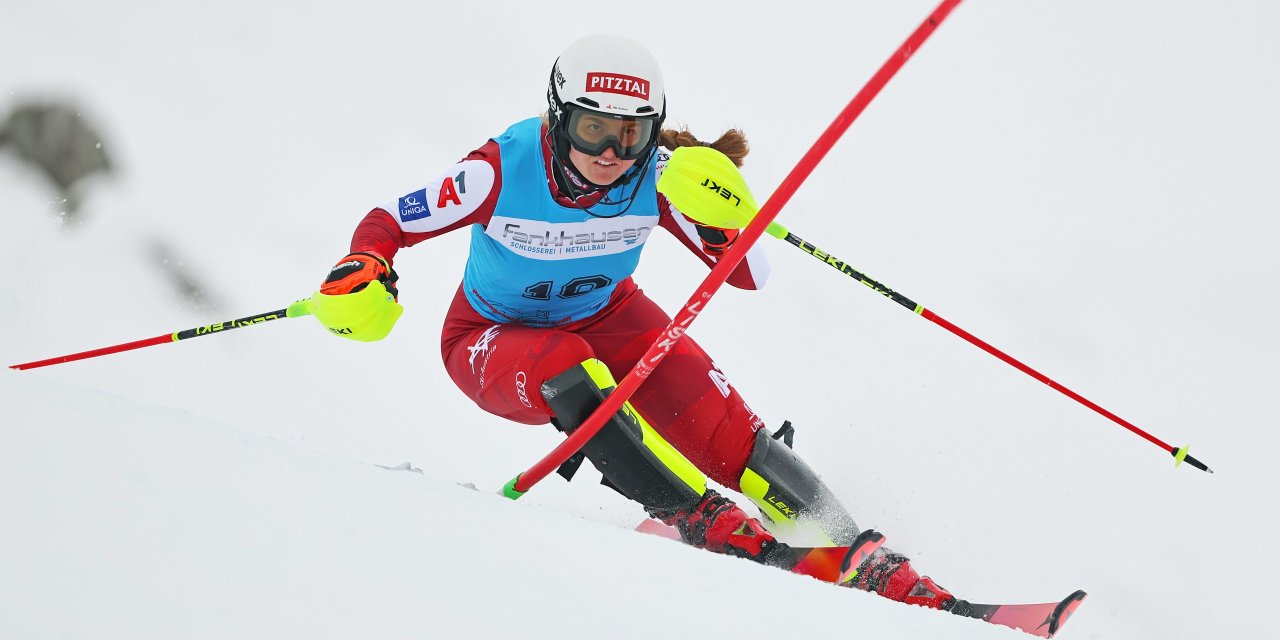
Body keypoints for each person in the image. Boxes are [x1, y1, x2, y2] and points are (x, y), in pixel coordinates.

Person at [312, 34, 957, 611]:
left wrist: (720, 213)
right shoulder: (501, 169)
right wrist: (367, 263)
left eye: (632, 133)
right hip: (491, 338)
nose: (611, 153)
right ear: (559, 116)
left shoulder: (657, 175)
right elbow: (392, 218)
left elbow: (748, 273)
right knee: (568, 367)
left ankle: (860, 555)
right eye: (593, 129)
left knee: (730, 432)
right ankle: (701, 519)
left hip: (611, 318)